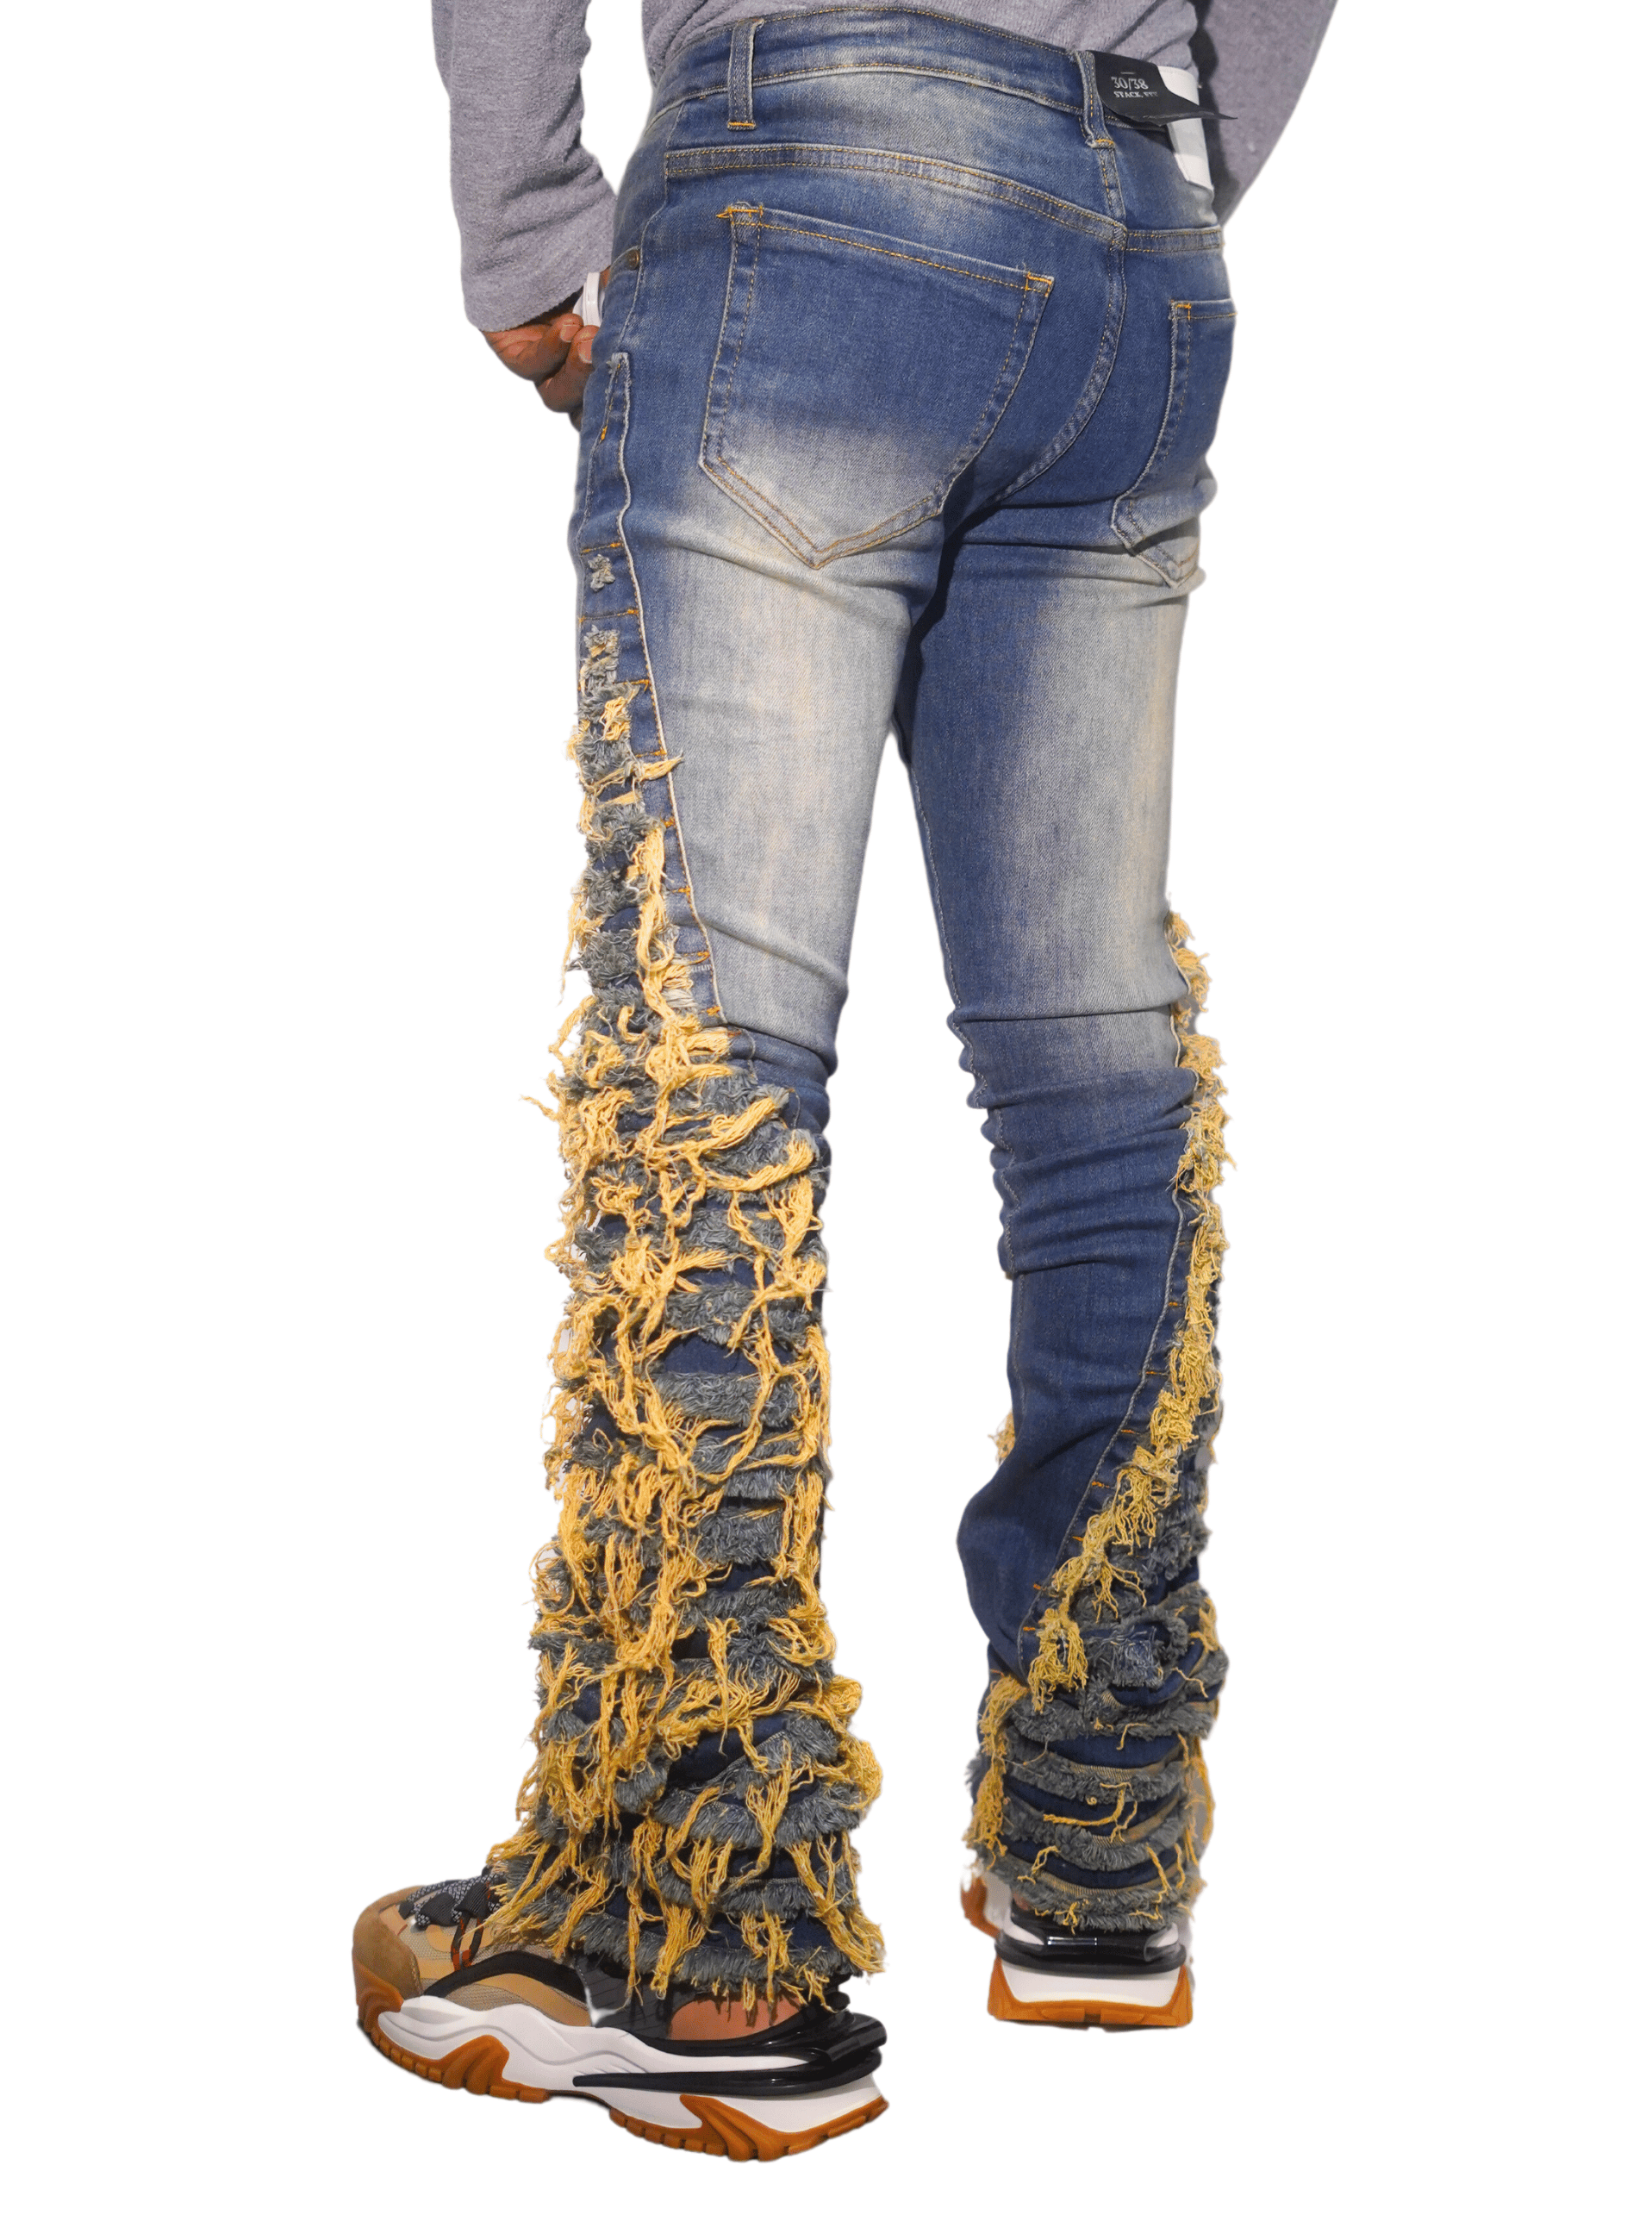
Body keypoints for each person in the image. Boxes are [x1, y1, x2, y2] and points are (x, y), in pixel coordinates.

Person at [351, 0, 1332, 2160]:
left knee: (708, 1069)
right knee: (1092, 1074)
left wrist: (522, 220)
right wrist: (1149, 170)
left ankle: (705, 1935)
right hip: (1136, 252)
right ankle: (1097, 1845)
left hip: (808, 192)